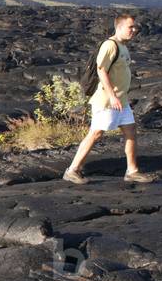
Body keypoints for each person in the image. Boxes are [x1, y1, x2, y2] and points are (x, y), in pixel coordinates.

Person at [63, 13, 154, 184]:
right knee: (96, 133)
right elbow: (101, 70)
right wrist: (112, 96)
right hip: (106, 100)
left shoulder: (123, 46)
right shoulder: (110, 45)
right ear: (119, 27)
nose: (134, 30)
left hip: (122, 100)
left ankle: (132, 171)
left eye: (135, 27)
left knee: (131, 130)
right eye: (130, 27)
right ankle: (72, 170)